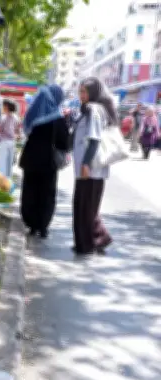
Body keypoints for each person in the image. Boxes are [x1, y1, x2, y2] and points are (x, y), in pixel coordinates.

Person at [18, 84, 72, 238]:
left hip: (30, 160)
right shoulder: (57, 118)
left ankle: (31, 225)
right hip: (48, 163)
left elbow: (26, 130)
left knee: (30, 192)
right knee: (46, 194)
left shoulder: (33, 114)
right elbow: (64, 143)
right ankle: (43, 227)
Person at [72, 77, 116, 256]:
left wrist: (85, 164)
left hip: (91, 169)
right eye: (80, 91)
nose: (81, 95)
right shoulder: (88, 110)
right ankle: (95, 240)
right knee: (85, 207)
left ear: (93, 92)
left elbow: (94, 139)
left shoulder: (94, 109)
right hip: (87, 169)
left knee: (85, 208)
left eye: (84, 91)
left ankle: (88, 244)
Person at [0, 100, 21, 178]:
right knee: (9, 164)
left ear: (6, 107)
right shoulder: (16, 117)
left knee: (2, 164)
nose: (2, 107)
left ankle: (2, 181)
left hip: (4, 142)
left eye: (3, 106)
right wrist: (15, 136)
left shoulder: (4, 117)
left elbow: (2, 130)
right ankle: (8, 180)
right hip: (12, 142)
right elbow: (18, 131)